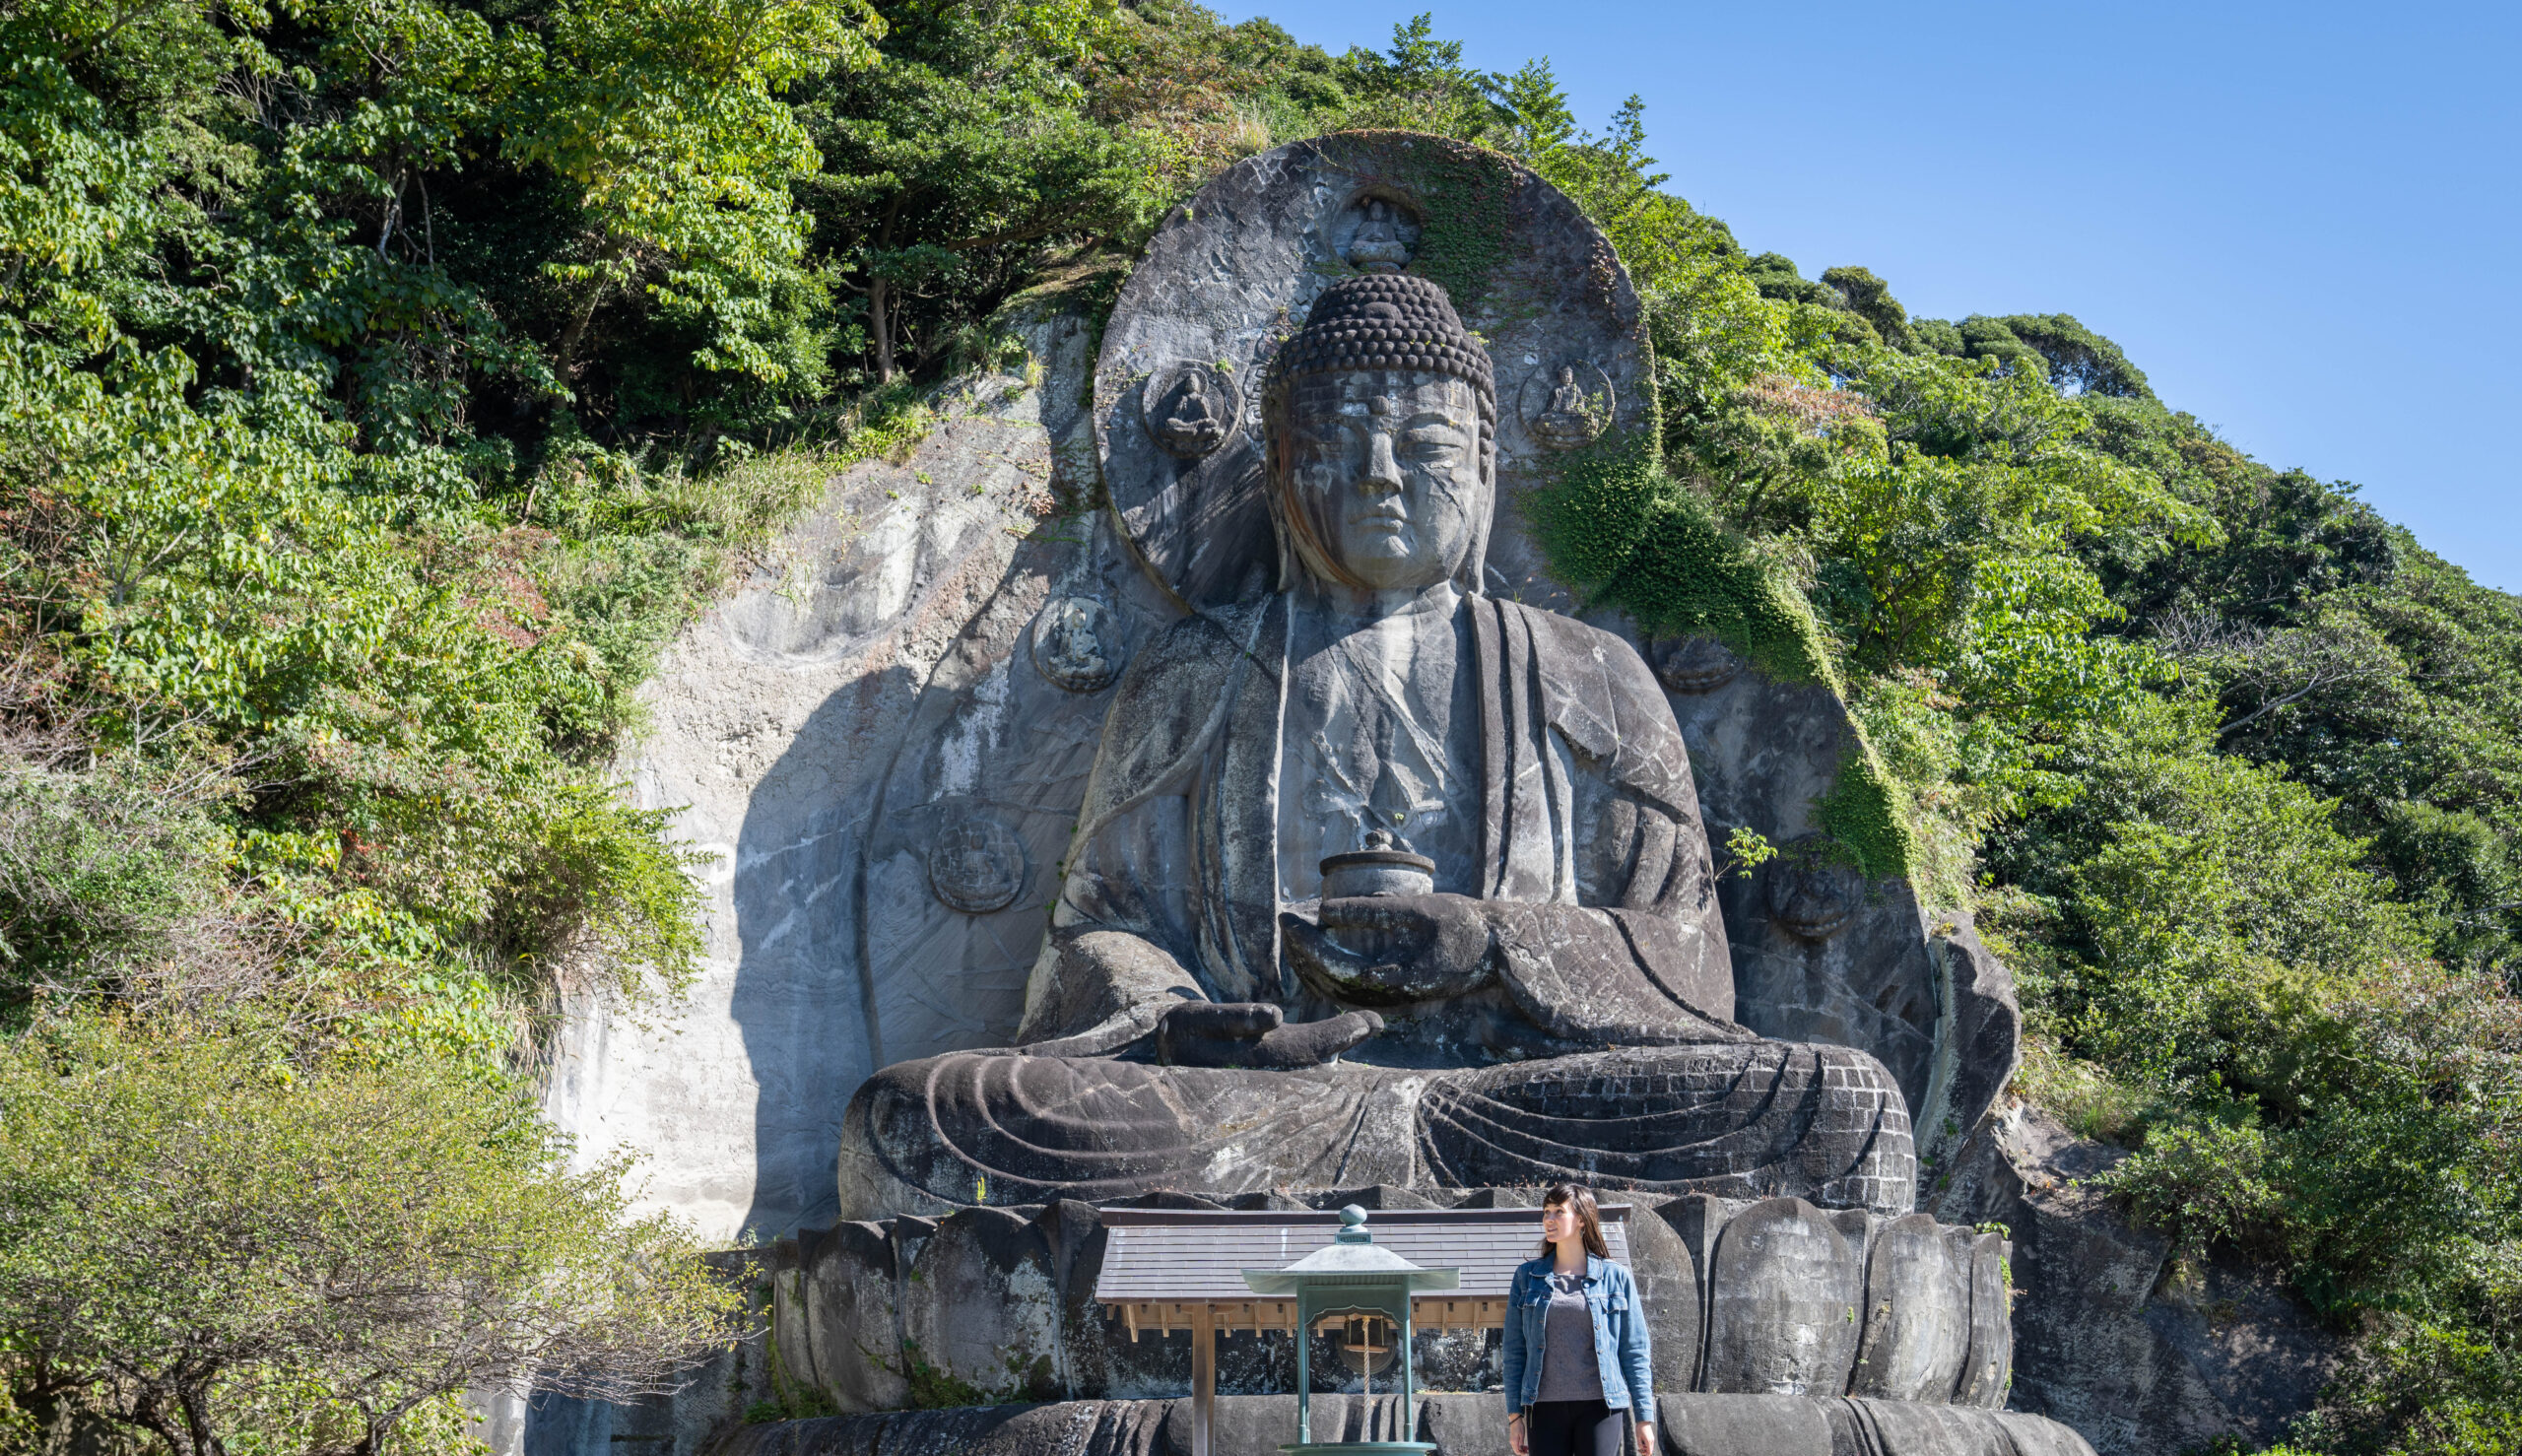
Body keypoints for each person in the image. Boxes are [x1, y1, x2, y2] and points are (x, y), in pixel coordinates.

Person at [1501, 1185, 1656, 1456]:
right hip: (1543, 1407)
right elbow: (1514, 1351)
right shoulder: (1526, 1278)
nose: (1549, 1219)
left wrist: (1644, 1418)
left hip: (1601, 1406)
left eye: (1559, 1212)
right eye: (1546, 1212)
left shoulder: (1615, 1277)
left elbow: (1634, 1351)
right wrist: (1515, 1417)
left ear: (1582, 1219)